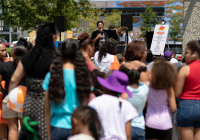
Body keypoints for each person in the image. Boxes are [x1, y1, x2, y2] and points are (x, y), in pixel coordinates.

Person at [8, 22, 57, 140]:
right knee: (45, 134)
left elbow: (14, 79)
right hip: (48, 102)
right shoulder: (55, 56)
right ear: (53, 36)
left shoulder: (28, 55)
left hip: (29, 102)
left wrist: (11, 99)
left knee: (30, 134)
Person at [43, 39, 91, 140]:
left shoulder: (52, 75)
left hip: (57, 127)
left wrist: (47, 134)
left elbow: (47, 108)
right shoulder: (83, 75)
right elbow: (85, 106)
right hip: (78, 128)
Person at [89, 70, 138, 140]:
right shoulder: (127, 106)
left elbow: (92, 128)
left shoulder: (95, 103)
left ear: (104, 86)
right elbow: (128, 135)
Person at [145, 60, 177, 140]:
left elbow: (144, 104)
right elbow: (173, 107)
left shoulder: (147, 86)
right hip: (165, 123)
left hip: (150, 122)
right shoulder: (169, 88)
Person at [175, 40, 200, 140]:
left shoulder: (185, 69)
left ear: (194, 54)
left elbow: (177, 93)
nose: (185, 55)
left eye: (187, 52)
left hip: (187, 106)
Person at [0, 45, 26, 140]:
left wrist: (3, 91)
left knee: (12, 129)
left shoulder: (5, 65)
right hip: (24, 98)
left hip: (9, 98)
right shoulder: (28, 65)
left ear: (12, 52)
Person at [119, 65, 149, 140]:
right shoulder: (144, 89)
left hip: (125, 127)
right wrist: (138, 71)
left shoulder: (124, 91)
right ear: (139, 78)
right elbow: (145, 80)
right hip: (140, 128)